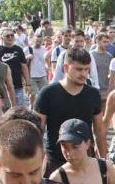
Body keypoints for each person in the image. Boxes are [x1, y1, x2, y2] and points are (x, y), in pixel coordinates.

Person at [34, 47, 106, 177]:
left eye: (86, 69)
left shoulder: (93, 94)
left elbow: (99, 131)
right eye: (78, 69)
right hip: (55, 161)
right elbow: (37, 130)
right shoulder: (47, 93)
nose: (83, 74)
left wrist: (104, 161)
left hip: (85, 159)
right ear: (66, 68)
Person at [0, 29, 32, 107]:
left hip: (17, 85)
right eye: (7, 36)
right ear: (2, 38)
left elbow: (24, 67)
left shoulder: (18, 49)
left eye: (12, 35)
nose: (10, 37)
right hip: (2, 87)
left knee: (18, 111)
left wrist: (28, 84)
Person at [25, 32, 48, 105]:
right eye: (36, 41)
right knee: (33, 95)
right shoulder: (27, 49)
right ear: (33, 40)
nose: (38, 43)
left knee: (45, 93)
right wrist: (27, 57)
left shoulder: (44, 49)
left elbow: (46, 61)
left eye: (40, 41)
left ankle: (42, 108)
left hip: (42, 75)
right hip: (32, 76)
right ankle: (31, 108)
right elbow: (22, 62)